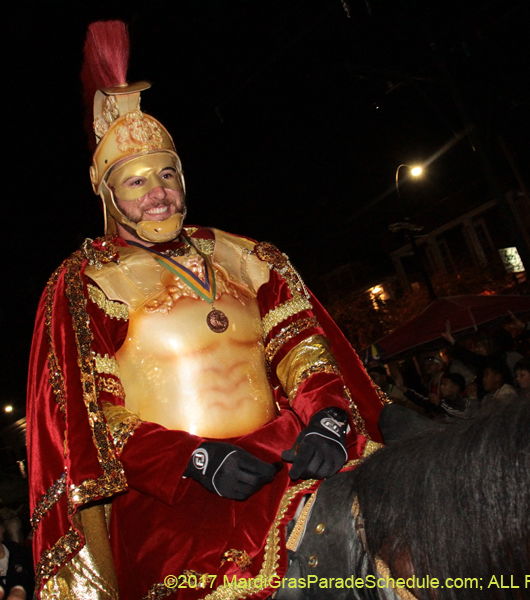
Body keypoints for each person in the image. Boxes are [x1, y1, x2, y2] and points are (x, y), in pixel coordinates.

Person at [26, 21, 384, 600]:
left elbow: (303, 349)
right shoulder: (88, 282)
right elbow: (95, 420)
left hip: (287, 460)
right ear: (108, 197)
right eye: (136, 182)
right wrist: (193, 460)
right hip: (176, 497)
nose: (157, 192)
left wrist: (331, 420)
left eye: (167, 175)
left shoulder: (245, 257)